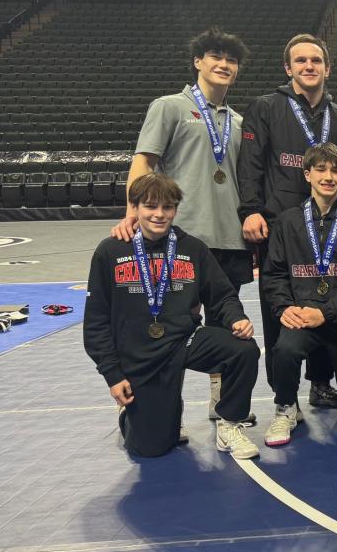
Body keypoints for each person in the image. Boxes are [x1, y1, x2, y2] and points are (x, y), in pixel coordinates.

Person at [113, 26, 256, 425]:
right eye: (215, 57)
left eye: (231, 60)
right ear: (198, 62)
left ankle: (220, 401)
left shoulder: (240, 122)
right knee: (172, 320)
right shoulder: (170, 107)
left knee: (224, 325)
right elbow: (144, 161)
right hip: (182, 238)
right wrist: (131, 211)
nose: (224, 64)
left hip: (229, 238)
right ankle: (155, 405)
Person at [84, 174, 260, 460]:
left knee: (242, 350)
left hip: (184, 339)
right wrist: (113, 375)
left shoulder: (192, 248)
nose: (159, 214)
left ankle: (229, 423)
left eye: (167, 207)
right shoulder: (111, 250)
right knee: (151, 448)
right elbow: (96, 321)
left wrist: (236, 318)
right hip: (139, 353)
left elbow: (222, 294)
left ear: (176, 209)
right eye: (151, 206)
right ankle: (136, 416)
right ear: (135, 208)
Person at [238, 34, 337, 407]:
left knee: (326, 298)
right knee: (281, 307)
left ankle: (321, 382)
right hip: (280, 226)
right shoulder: (266, 107)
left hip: (330, 224)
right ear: (288, 68)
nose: (309, 66)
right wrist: (251, 209)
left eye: (316, 61)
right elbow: (251, 163)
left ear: (327, 68)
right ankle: (283, 393)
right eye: (301, 61)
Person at [263, 143, 337, 444]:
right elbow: (273, 274)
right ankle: (285, 408)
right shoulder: (288, 221)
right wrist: (284, 308)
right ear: (307, 174)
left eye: (335, 170)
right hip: (303, 314)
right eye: (321, 169)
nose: (329, 176)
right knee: (284, 349)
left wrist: (326, 312)